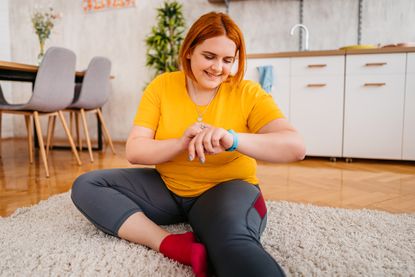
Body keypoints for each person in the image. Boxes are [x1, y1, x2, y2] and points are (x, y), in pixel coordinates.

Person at [71, 11, 305, 277]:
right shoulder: (162, 86)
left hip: (224, 190)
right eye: (209, 56)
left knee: (231, 243)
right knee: (87, 185)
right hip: (168, 190)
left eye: (227, 60)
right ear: (190, 50)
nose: (218, 68)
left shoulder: (247, 92)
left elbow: (295, 147)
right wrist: (181, 143)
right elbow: (135, 151)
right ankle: (170, 243)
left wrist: (232, 139)